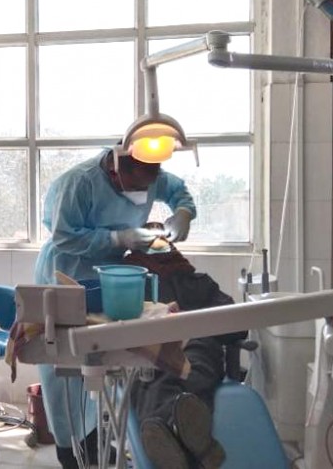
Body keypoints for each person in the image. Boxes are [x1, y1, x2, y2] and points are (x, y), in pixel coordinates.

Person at [33, 146, 196, 469]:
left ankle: (101, 440)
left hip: (113, 281)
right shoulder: (80, 182)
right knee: (67, 369)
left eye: (148, 187)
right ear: (116, 168)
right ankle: (71, 450)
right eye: (134, 186)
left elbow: (178, 191)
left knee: (106, 365)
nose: (140, 195)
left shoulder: (151, 174)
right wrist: (118, 239)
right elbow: (65, 237)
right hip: (67, 274)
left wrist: (183, 213)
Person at [123, 238, 243, 469]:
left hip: (157, 352)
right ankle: (199, 447)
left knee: (154, 382)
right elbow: (237, 327)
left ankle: (164, 427)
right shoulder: (197, 282)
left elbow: (236, 326)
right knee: (192, 377)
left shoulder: (133, 284)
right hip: (193, 350)